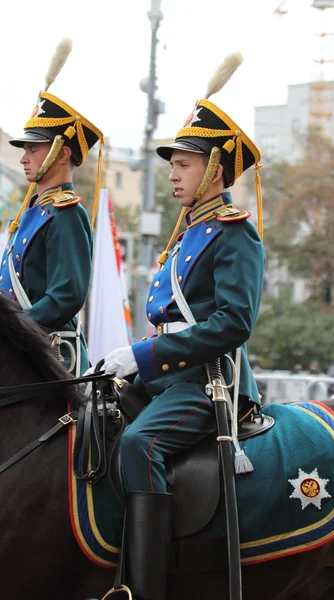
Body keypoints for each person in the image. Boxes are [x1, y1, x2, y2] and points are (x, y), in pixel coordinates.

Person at [98, 57, 266, 599]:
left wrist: (145, 358)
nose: (172, 173)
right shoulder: (189, 231)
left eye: (185, 164)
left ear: (216, 169)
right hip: (170, 374)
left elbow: (233, 323)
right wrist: (130, 358)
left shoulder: (234, 233)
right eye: (174, 164)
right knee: (91, 413)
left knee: (139, 443)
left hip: (208, 380)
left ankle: (143, 589)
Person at [0, 91, 103, 374]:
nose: (24, 158)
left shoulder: (66, 214)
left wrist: (12, 328)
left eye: (33, 149)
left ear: (62, 153)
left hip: (52, 356)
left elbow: (66, 296)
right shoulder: (34, 211)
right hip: (22, 349)